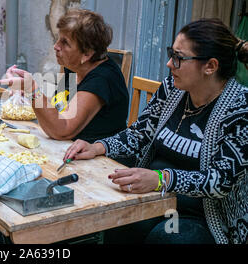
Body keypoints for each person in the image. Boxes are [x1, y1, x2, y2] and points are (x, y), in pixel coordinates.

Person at [63, 18, 248, 244]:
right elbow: (139, 134)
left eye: (179, 58)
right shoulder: (172, 88)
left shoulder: (240, 108)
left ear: (210, 66)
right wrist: (97, 147)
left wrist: (161, 179)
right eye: (172, 54)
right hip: (155, 197)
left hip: (203, 216)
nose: (170, 64)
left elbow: (219, 181)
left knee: (167, 238)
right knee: (117, 219)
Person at [0, 9, 129, 143]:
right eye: (58, 39)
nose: (56, 46)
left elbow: (62, 130)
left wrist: (33, 90)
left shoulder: (102, 80)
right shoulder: (74, 67)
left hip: (103, 161)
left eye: (65, 43)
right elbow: (59, 107)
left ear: (87, 54)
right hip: (66, 149)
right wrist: (24, 95)